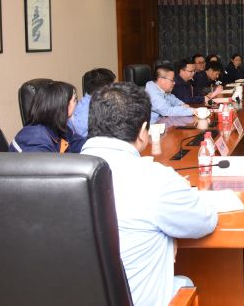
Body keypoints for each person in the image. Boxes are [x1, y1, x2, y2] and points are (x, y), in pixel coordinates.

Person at [80, 82, 217, 306]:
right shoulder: (154, 178)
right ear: (144, 131)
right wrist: (169, 237)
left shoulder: (56, 176)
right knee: (185, 283)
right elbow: (205, 221)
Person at [9, 81, 86, 153]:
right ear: (62, 105)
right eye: (74, 100)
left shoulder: (58, 128)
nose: (76, 104)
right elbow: (45, 163)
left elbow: (78, 143)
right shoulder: (35, 138)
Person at [70, 67, 116, 137]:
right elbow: (84, 139)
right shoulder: (85, 112)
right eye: (113, 86)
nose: (115, 90)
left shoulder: (98, 102)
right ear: (104, 89)